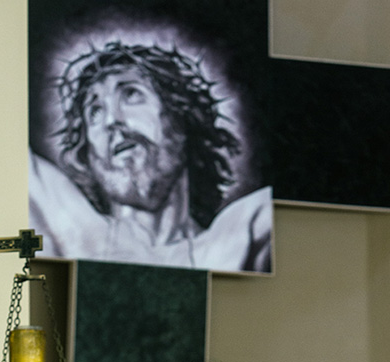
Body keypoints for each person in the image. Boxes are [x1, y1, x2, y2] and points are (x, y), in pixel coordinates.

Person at [29, 42, 273, 273]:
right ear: (89, 157)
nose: (111, 120)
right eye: (95, 111)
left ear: (183, 117)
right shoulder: (69, 229)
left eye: (131, 94)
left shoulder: (241, 235)